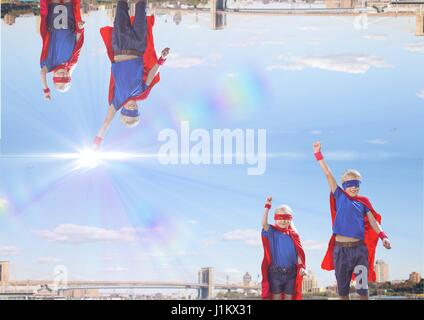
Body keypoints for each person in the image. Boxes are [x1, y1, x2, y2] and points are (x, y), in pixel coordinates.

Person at [313, 141, 391, 300]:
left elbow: (373, 221)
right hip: (341, 252)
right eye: (350, 184)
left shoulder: (364, 201)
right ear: (343, 185)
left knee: (363, 290)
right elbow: (328, 174)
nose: (354, 187)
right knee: (343, 291)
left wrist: (383, 236)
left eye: (356, 184)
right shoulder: (339, 195)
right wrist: (318, 155)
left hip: (359, 251)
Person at [93, 0, 170, 149]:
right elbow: (152, 74)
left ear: (123, 110)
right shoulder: (142, 92)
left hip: (120, 46)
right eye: (135, 111)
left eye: (129, 111)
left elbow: (106, 123)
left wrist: (97, 142)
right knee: (142, 6)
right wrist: (162, 59)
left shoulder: (116, 102)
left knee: (121, 5)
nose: (132, 107)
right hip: (138, 47)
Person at [261, 196, 306, 300]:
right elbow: (264, 224)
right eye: (280, 218)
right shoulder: (271, 232)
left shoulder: (294, 235)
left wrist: (301, 267)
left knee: (289, 297)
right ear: (275, 218)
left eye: (286, 218)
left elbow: (299, 253)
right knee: (276, 297)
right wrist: (267, 206)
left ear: (290, 219)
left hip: (291, 273)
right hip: (275, 272)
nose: (283, 221)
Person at [40, 0, 84, 99]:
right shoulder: (71, 61)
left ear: (54, 77)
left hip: (53, 20)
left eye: (59, 78)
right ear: (69, 76)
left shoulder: (49, 65)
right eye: (65, 78)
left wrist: (46, 90)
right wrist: (80, 30)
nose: (62, 75)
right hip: (69, 21)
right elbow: (77, 44)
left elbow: (42, 73)